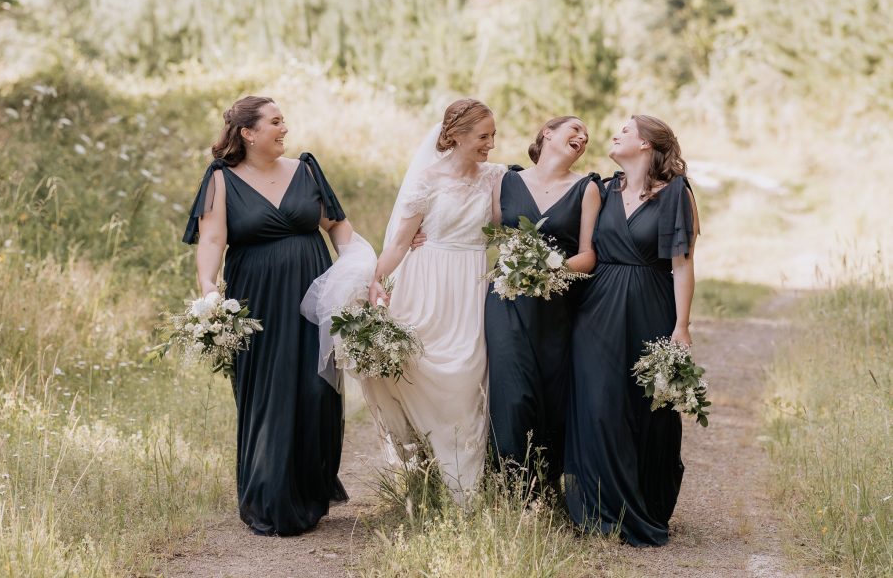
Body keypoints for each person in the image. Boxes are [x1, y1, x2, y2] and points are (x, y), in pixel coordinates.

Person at [182, 96, 353, 535]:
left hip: (314, 294)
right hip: (256, 299)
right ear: (248, 132)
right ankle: (268, 495)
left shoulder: (306, 169)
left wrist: (364, 271)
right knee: (269, 392)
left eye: (284, 121)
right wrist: (208, 291)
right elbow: (212, 240)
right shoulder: (222, 180)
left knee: (317, 391)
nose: (285, 128)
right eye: (275, 122)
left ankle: (310, 489)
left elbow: (337, 227)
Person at [360, 98, 505, 502]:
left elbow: (504, 228)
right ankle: (428, 477)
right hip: (426, 285)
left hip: (471, 285)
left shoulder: (495, 177)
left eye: (493, 135)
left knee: (466, 381)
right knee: (416, 370)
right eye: (482, 136)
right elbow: (400, 244)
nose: (490, 144)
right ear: (455, 136)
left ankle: (467, 495)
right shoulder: (426, 179)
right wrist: (376, 282)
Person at [564, 114, 699, 546]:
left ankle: (645, 504)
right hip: (597, 310)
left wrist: (682, 325)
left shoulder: (677, 194)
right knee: (598, 403)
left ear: (645, 144)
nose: (614, 133)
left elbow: (682, 264)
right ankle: (602, 509)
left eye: (624, 129)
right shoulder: (600, 190)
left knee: (648, 409)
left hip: (651, 307)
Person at [484, 116, 600, 492]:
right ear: (547, 134)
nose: (582, 137)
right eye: (575, 129)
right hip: (508, 302)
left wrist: (549, 269)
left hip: (557, 307)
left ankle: (545, 484)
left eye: (586, 136)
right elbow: (480, 228)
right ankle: (509, 487)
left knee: (550, 393)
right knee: (511, 392)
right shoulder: (507, 180)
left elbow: (587, 255)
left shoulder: (586, 189)